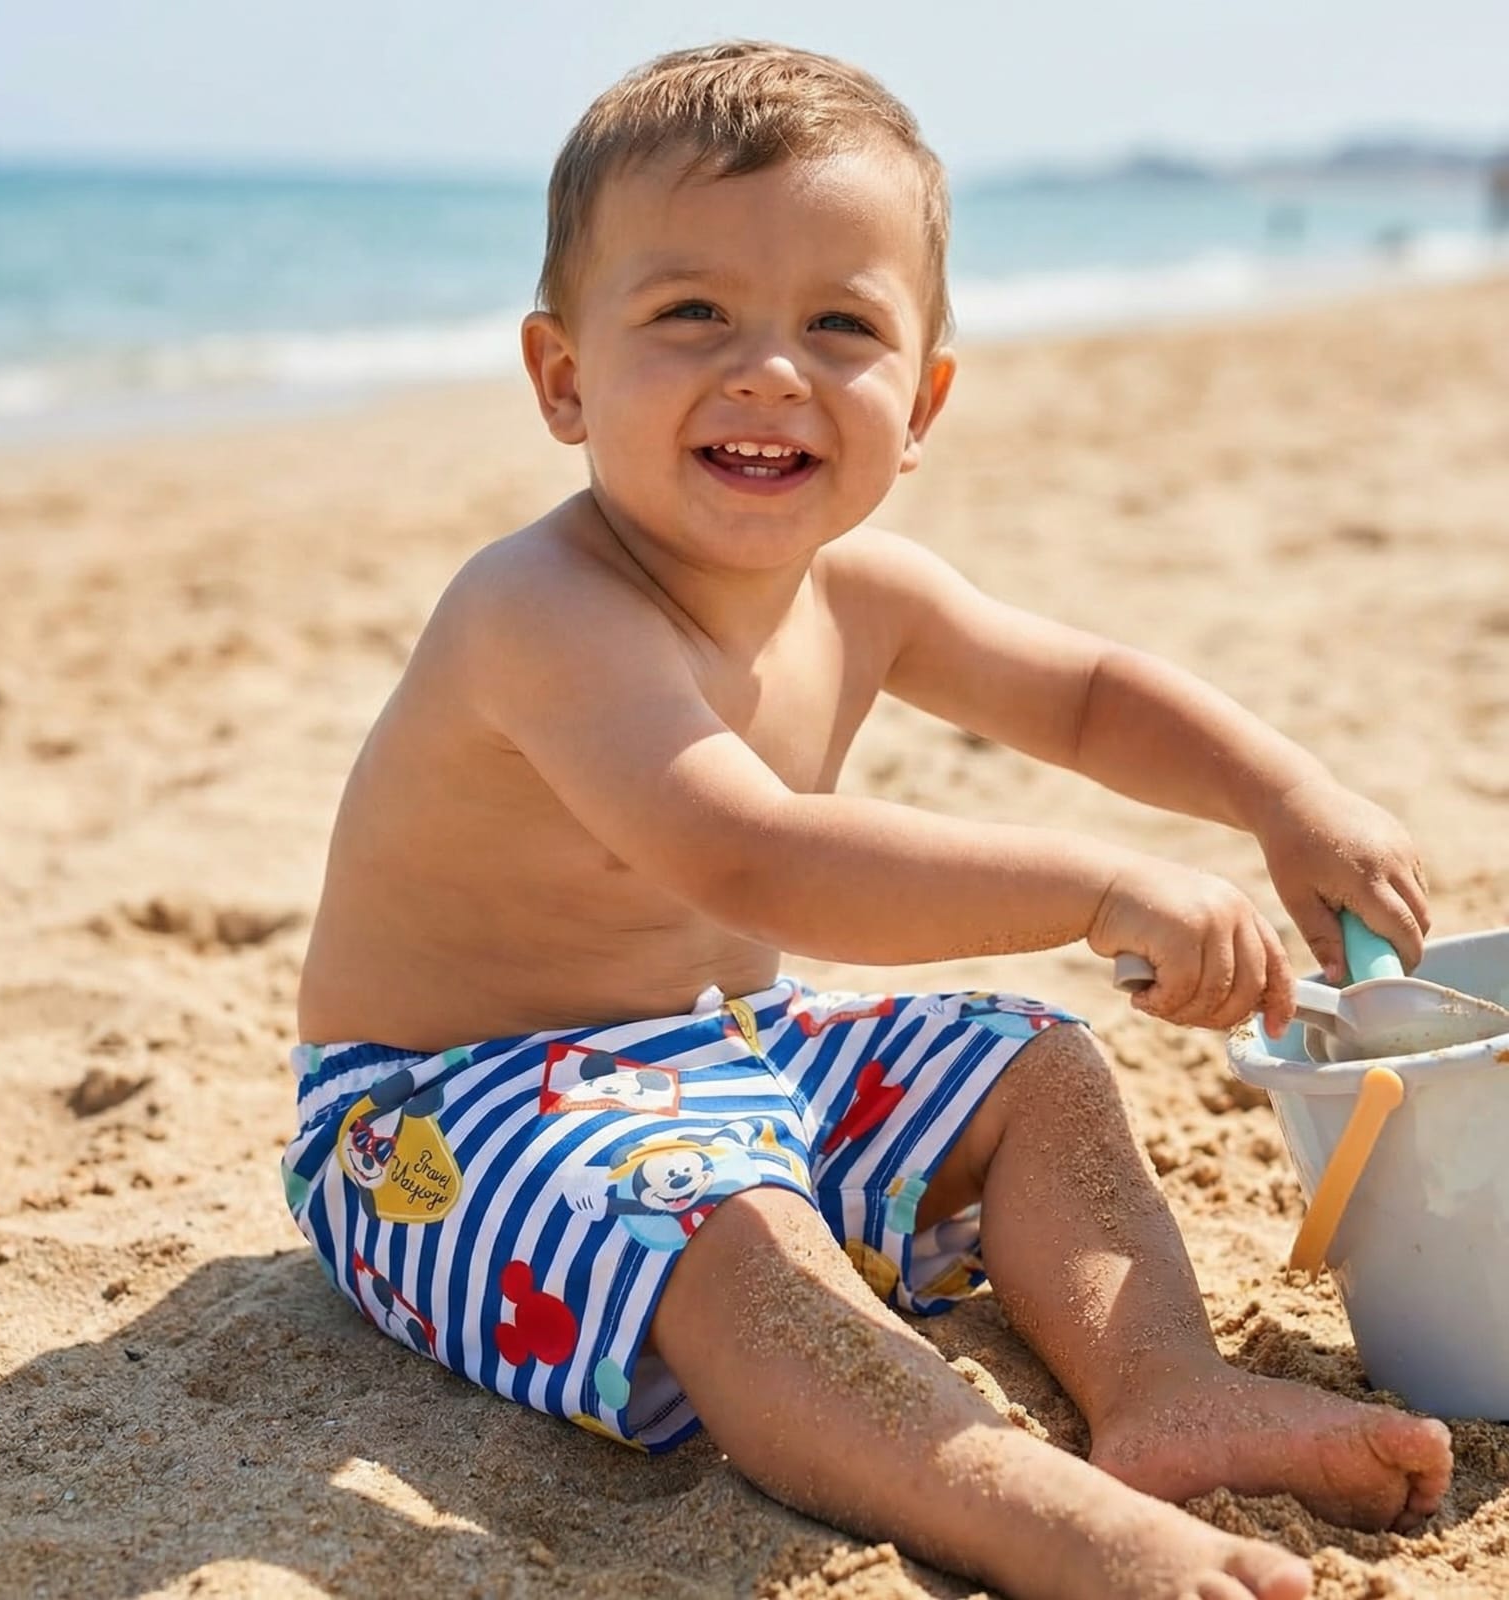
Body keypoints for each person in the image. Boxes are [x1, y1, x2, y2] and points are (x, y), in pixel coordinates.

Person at [283, 41, 1452, 1600]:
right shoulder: (542, 611)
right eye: (692, 312)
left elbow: (1091, 694)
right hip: (435, 1113)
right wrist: (1104, 887)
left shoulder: (866, 592)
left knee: (1037, 1067)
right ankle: (1041, 1517)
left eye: (841, 325)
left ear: (923, 405)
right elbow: (755, 857)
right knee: (738, 1241)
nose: (769, 369)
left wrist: (1279, 793)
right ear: (564, 379)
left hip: (712, 1056)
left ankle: (1162, 1390)